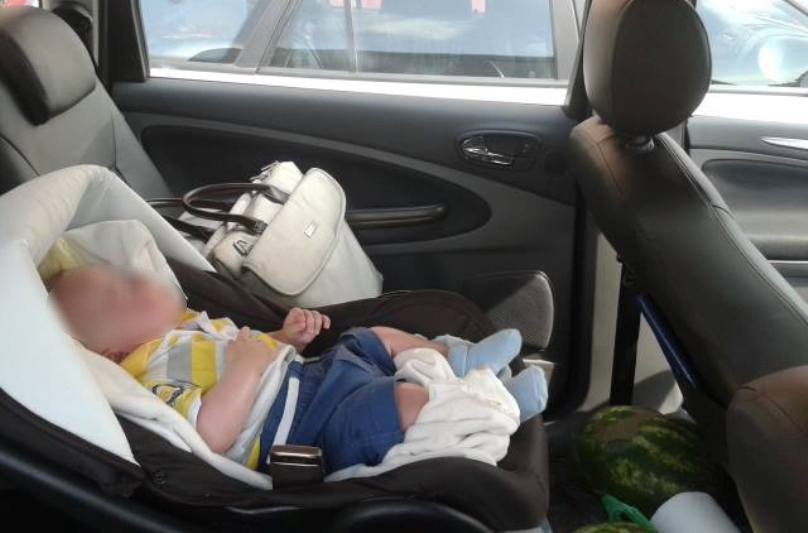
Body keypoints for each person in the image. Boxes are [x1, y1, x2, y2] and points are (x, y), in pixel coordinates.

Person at [49, 264, 545, 474]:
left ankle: (459, 362)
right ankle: (497, 408)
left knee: (374, 337)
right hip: (307, 429)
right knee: (399, 405)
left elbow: (255, 351)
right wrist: (246, 370)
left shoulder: (191, 327)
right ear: (110, 353)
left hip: (315, 374)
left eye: (124, 276)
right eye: (114, 297)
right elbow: (211, 433)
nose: (136, 282)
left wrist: (287, 338)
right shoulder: (150, 375)